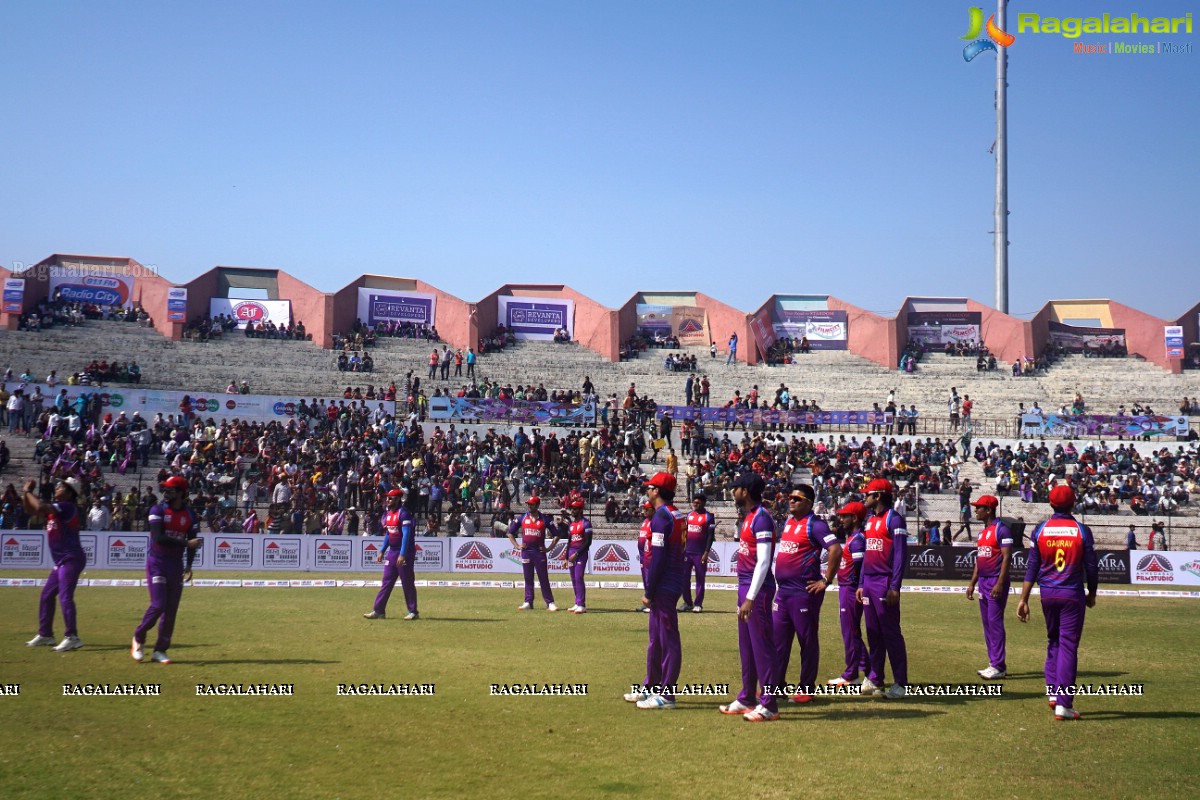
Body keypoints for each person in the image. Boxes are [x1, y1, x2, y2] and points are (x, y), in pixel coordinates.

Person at [1017, 485, 1098, 721]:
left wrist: (1023, 599)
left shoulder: (1041, 529)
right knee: (1068, 645)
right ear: (1073, 504)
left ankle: (1053, 693)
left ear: (1050, 504)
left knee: (1053, 641)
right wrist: (1092, 592)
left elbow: (1032, 566)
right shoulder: (1082, 531)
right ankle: (1064, 704)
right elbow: (1091, 567)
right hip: (1071, 594)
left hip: (1047, 593)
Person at [719, 472, 779, 722]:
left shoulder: (762, 518)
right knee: (747, 646)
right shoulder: (750, 517)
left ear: (746, 491)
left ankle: (770, 705)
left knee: (762, 648)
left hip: (758, 590)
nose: (733, 492)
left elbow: (764, 561)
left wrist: (751, 597)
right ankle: (746, 697)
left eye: (736, 488)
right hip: (745, 586)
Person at [624, 472, 687, 710]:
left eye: (649, 488)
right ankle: (651, 686)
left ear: (657, 491)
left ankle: (667, 694)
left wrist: (649, 591)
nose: (646, 492)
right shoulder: (676, 514)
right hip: (670, 580)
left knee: (668, 638)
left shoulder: (662, 517)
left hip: (664, 584)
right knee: (656, 638)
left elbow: (659, 557)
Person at [773, 485, 841, 704]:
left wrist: (826, 581)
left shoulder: (816, 524)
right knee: (778, 642)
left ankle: (806, 689)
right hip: (783, 592)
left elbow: (836, 549)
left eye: (797, 499)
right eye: (790, 498)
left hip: (804, 592)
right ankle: (777, 687)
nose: (791, 501)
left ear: (809, 503)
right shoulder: (790, 522)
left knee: (807, 641)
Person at [132, 476, 202, 664]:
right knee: (158, 605)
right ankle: (139, 637)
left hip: (175, 565)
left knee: (171, 610)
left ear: (181, 493)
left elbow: (193, 544)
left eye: (170, 490)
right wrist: (186, 542)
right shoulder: (157, 509)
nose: (165, 493)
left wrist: (189, 565)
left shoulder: (190, 515)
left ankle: (160, 650)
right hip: (157, 562)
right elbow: (158, 538)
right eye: (164, 490)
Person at [856, 478, 909, 698]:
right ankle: (875, 678)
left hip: (884, 582)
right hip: (869, 582)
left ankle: (900, 683)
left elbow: (900, 555)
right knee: (873, 632)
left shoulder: (894, 519)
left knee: (890, 633)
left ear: (878, 496)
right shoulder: (869, 521)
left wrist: (895, 586)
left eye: (868, 493)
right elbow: (868, 554)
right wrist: (860, 583)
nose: (864, 497)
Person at [23, 477, 86, 652]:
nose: (57, 487)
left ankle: (72, 637)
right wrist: (25, 493)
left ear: (69, 492)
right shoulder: (57, 509)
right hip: (62, 561)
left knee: (65, 596)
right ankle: (46, 635)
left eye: (61, 486)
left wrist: (29, 492)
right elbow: (32, 510)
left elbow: (40, 507)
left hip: (71, 558)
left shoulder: (67, 507)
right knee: (47, 595)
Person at [965, 495, 1012, 680]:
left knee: (995, 623)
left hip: (995, 581)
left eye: (979, 507)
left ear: (988, 510)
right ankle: (993, 663)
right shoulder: (983, 533)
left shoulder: (1002, 530)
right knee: (987, 624)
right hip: (984, 582)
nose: (975, 510)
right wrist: (972, 583)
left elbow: (1007, 557)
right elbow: (980, 560)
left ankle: (998, 665)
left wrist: (1000, 582)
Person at [828, 501, 869, 688]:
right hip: (847, 588)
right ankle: (865, 671)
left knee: (851, 632)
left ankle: (854, 674)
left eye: (845, 516)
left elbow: (861, 568)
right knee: (851, 632)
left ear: (854, 518)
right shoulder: (854, 537)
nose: (841, 519)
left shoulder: (858, 539)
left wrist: (857, 586)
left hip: (851, 590)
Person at [365, 488, 418, 620]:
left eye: (390, 498)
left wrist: (403, 554)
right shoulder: (388, 513)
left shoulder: (404, 513)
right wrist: (382, 550)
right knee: (386, 581)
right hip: (392, 551)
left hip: (404, 551)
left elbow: (406, 535)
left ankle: (413, 611)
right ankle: (379, 610)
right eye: (387, 498)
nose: (387, 500)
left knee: (407, 582)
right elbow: (389, 534)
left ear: (398, 499)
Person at [507, 496, 558, 611]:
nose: (529, 506)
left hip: (539, 553)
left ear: (537, 505)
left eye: (532, 504)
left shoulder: (544, 519)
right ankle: (528, 602)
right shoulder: (522, 518)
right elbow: (510, 532)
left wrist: (548, 548)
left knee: (543, 578)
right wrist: (517, 546)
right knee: (528, 578)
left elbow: (557, 534)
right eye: (528, 504)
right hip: (526, 553)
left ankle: (550, 602)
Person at [680, 493, 715, 613]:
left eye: (698, 502)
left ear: (703, 503)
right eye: (694, 502)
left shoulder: (708, 516)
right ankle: (687, 602)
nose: (695, 504)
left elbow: (710, 536)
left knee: (700, 579)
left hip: (700, 553)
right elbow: (684, 533)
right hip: (687, 552)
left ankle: (698, 604)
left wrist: (706, 552)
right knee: (684, 578)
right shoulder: (689, 515)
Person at [564, 499, 593, 614]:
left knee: (579, 577)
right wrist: (566, 557)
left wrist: (577, 554)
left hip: (580, 554)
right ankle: (577, 603)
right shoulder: (571, 524)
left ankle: (582, 604)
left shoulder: (586, 523)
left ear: (580, 510)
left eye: (575, 509)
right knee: (573, 578)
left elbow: (588, 542)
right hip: (571, 552)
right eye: (572, 508)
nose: (572, 511)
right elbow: (569, 541)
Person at [635, 501, 654, 612]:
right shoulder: (645, 521)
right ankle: (648, 602)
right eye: (644, 509)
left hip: (650, 555)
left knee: (650, 580)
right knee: (645, 580)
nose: (645, 511)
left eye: (647, 509)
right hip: (643, 555)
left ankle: (652, 603)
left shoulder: (655, 522)